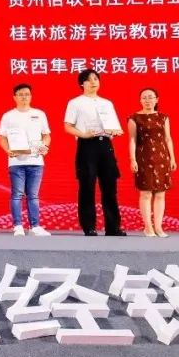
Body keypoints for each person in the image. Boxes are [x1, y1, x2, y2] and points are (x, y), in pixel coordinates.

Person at [63, 68, 126, 236]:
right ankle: (89, 226)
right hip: (87, 145)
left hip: (105, 145)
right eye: (89, 79)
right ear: (81, 84)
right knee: (87, 186)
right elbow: (68, 126)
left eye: (96, 79)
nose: (93, 82)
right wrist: (84, 134)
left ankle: (113, 227)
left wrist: (116, 131)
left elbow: (114, 126)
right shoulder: (75, 103)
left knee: (110, 187)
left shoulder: (107, 103)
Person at [0, 83, 52, 237]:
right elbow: (2, 138)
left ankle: (35, 226)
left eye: (27, 94)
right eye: (20, 94)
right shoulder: (8, 116)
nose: (24, 97)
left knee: (33, 195)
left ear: (31, 96)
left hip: (36, 161)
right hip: (17, 162)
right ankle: (18, 226)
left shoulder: (39, 114)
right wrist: (8, 150)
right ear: (14, 97)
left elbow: (46, 135)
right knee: (17, 195)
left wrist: (45, 146)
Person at [128, 87, 176, 238]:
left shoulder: (163, 117)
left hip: (162, 158)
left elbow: (168, 138)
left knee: (161, 193)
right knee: (146, 193)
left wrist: (172, 158)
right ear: (140, 100)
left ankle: (159, 227)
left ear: (156, 100)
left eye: (150, 97)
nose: (147, 100)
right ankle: (148, 227)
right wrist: (132, 159)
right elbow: (132, 140)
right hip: (144, 158)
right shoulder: (134, 118)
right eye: (144, 97)